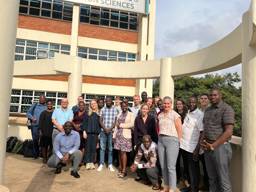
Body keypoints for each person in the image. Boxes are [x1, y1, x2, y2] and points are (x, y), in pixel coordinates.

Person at [201, 88, 235, 192]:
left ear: (220, 96)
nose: (212, 97)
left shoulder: (227, 109)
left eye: (215, 95)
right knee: (212, 179)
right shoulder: (208, 110)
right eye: (211, 95)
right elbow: (205, 127)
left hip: (221, 148)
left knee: (223, 181)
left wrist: (213, 145)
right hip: (208, 148)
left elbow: (229, 131)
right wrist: (203, 141)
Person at [158, 96, 182, 192]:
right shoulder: (160, 115)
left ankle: (172, 188)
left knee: (171, 166)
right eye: (165, 103)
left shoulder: (175, 115)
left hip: (172, 141)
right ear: (162, 104)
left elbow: (180, 130)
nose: (166, 105)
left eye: (168, 103)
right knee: (163, 165)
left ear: (171, 104)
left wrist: (178, 143)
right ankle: (166, 186)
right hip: (161, 140)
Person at [180, 96, 204, 192]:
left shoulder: (200, 115)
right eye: (190, 102)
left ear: (196, 103)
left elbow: (202, 133)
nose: (191, 104)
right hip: (184, 146)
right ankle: (191, 187)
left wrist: (197, 149)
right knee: (188, 169)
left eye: (193, 102)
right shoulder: (188, 113)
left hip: (193, 148)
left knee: (194, 170)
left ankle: (194, 189)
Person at [113, 102, 135, 178]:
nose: (124, 107)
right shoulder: (119, 114)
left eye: (125, 106)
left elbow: (132, 124)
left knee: (123, 152)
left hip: (126, 136)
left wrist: (121, 125)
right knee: (119, 152)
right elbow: (116, 125)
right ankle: (120, 167)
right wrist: (114, 135)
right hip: (118, 136)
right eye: (122, 106)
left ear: (127, 106)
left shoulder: (131, 114)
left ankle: (124, 170)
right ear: (121, 107)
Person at [97, 97, 118, 172]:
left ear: (111, 102)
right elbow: (100, 120)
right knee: (102, 148)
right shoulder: (102, 109)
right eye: (107, 101)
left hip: (111, 132)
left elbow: (115, 121)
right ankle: (101, 164)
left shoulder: (115, 109)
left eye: (109, 101)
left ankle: (110, 164)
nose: (108, 102)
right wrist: (105, 128)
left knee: (110, 148)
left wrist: (109, 129)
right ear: (105, 102)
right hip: (103, 131)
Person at [82, 99, 101, 170]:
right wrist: (84, 131)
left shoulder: (99, 113)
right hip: (88, 133)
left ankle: (92, 162)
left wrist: (99, 134)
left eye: (94, 103)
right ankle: (87, 162)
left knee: (93, 148)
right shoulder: (87, 113)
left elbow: (100, 125)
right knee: (88, 148)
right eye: (92, 104)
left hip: (96, 134)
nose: (93, 105)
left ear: (96, 104)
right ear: (90, 105)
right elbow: (84, 123)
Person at [174, 98, 189, 187]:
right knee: (176, 160)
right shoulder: (174, 114)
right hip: (175, 140)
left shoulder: (187, 115)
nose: (179, 105)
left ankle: (186, 178)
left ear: (183, 104)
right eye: (177, 104)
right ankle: (177, 177)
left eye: (180, 104)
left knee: (185, 161)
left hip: (185, 141)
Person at [198, 93, 210, 191]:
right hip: (200, 142)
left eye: (205, 98)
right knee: (204, 166)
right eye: (201, 98)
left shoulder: (210, 110)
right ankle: (205, 185)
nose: (203, 100)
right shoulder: (199, 111)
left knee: (209, 167)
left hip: (209, 142)